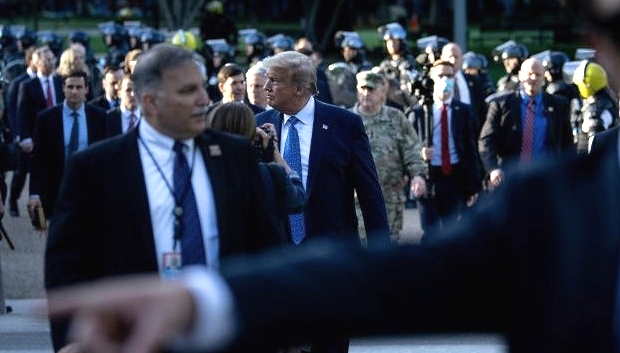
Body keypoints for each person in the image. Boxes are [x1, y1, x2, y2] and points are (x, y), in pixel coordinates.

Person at [45, 3, 620, 351]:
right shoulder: (560, 207)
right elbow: (410, 278)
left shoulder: (319, 131)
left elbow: (365, 193)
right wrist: (211, 302)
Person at [44, 43, 281, 352]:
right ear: (150, 102)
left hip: (227, 338)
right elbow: (67, 266)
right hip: (133, 340)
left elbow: (266, 247)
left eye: (202, 87)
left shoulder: (232, 156)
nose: (203, 99)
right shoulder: (96, 168)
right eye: (187, 91)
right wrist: (71, 342)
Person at [256, 50, 390, 353]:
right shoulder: (260, 124)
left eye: (274, 81)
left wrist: (381, 258)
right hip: (278, 256)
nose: (266, 87)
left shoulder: (344, 124)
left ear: (300, 88)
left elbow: (370, 194)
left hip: (333, 256)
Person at [207, 101, 305, 244]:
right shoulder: (269, 174)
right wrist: (275, 154)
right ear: (251, 134)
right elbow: (298, 200)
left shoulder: (205, 173)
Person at [349, 70, 426, 242]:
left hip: (389, 197)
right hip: (356, 198)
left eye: (371, 89)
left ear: (381, 91)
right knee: (361, 244)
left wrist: (418, 176)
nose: (366, 93)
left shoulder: (395, 117)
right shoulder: (346, 119)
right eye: (362, 88)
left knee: (387, 245)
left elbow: (412, 149)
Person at [409, 60, 481, 238]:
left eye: (449, 76)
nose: (445, 79)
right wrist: (420, 154)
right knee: (430, 230)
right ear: (432, 78)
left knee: (453, 230)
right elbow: (408, 145)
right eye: (440, 75)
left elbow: (471, 148)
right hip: (429, 176)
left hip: (454, 175)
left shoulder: (463, 111)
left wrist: (474, 186)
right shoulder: (419, 112)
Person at [478, 57, 574, 188]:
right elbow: (486, 140)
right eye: (529, 74)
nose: (533, 78)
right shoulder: (501, 105)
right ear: (520, 76)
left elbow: (567, 144)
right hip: (510, 178)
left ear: (544, 78)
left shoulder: (558, 105)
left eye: (538, 74)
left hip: (546, 178)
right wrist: (493, 169)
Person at [27, 70, 107, 220]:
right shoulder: (47, 118)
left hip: (90, 192)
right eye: (70, 87)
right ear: (63, 88)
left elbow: (106, 158)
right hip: (57, 192)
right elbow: (38, 159)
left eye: (79, 87)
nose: (74, 92)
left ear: (86, 89)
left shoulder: (100, 117)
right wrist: (34, 194)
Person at [9, 46, 64, 217]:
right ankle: (13, 199)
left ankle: (45, 213)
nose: (50, 63)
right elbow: (22, 114)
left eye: (52, 59)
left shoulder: (59, 82)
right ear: (37, 62)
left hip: (55, 137)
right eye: (47, 60)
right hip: (33, 138)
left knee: (50, 175)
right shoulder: (27, 85)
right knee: (22, 172)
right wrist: (23, 137)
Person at [570, 60, 619, 153]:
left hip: (592, 164)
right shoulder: (607, 101)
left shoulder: (594, 111)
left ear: (586, 85)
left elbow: (594, 145)